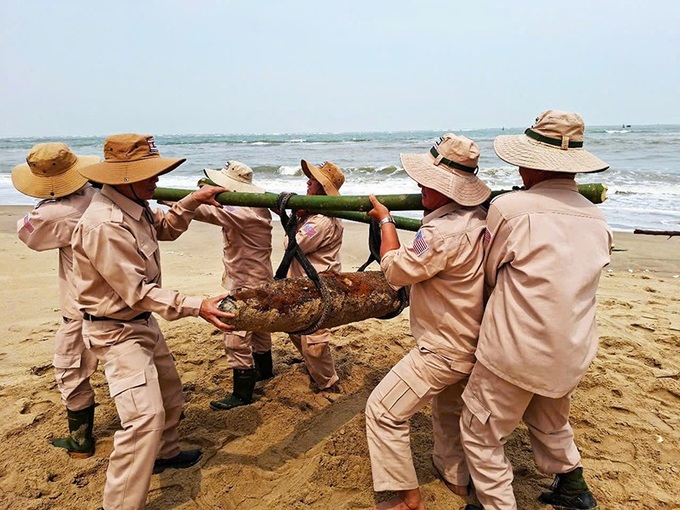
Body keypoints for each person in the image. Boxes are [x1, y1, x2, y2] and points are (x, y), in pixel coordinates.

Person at [71, 133, 236, 510]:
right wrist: (198, 306)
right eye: (150, 174)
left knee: (170, 394)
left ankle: (164, 455)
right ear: (124, 177)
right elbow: (137, 291)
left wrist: (191, 202)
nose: (157, 180)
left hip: (139, 323)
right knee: (144, 418)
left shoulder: (133, 204)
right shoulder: (105, 225)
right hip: (116, 331)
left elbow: (164, 229)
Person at [460, 111, 613, 510]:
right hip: (572, 348)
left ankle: (494, 503)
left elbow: (488, 274)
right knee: (549, 415)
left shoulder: (510, 209)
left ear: (530, 163)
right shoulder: (597, 218)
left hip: (516, 348)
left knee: (481, 430)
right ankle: (573, 487)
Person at [364, 134, 491, 510]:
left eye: (428, 182)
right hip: (474, 341)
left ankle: (408, 498)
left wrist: (386, 221)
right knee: (449, 412)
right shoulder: (480, 219)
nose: (420, 186)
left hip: (443, 347)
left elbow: (395, 270)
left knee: (383, 410)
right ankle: (455, 481)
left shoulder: (439, 234)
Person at [12, 142, 101, 458]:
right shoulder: (101, 197)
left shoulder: (57, 214)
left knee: (70, 369)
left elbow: (26, 232)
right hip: (120, 301)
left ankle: (80, 441)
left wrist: (48, 202)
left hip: (81, 308)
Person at [191, 161, 275, 410]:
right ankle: (264, 371)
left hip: (245, 283)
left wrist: (188, 198)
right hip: (261, 279)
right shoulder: (256, 207)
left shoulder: (239, 213)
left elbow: (199, 211)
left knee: (235, 335)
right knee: (260, 328)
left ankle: (242, 394)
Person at [285, 160, 345, 392]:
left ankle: (328, 383)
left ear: (321, 188)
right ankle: (316, 371)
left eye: (313, 180)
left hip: (318, 286)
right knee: (296, 327)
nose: (308, 182)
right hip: (307, 284)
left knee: (315, 339)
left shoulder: (320, 221)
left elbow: (292, 244)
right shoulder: (317, 216)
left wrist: (297, 219)